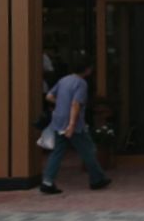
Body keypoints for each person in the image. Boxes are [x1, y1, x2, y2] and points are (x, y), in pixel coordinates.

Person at [40, 57, 111, 195]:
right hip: (74, 123)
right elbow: (76, 104)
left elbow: (49, 96)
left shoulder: (63, 80)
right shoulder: (81, 83)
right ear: (87, 70)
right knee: (88, 149)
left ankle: (47, 181)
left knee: (57, 152)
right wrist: (72, 124)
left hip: (58, 120)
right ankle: (97, 179)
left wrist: (61, 104)